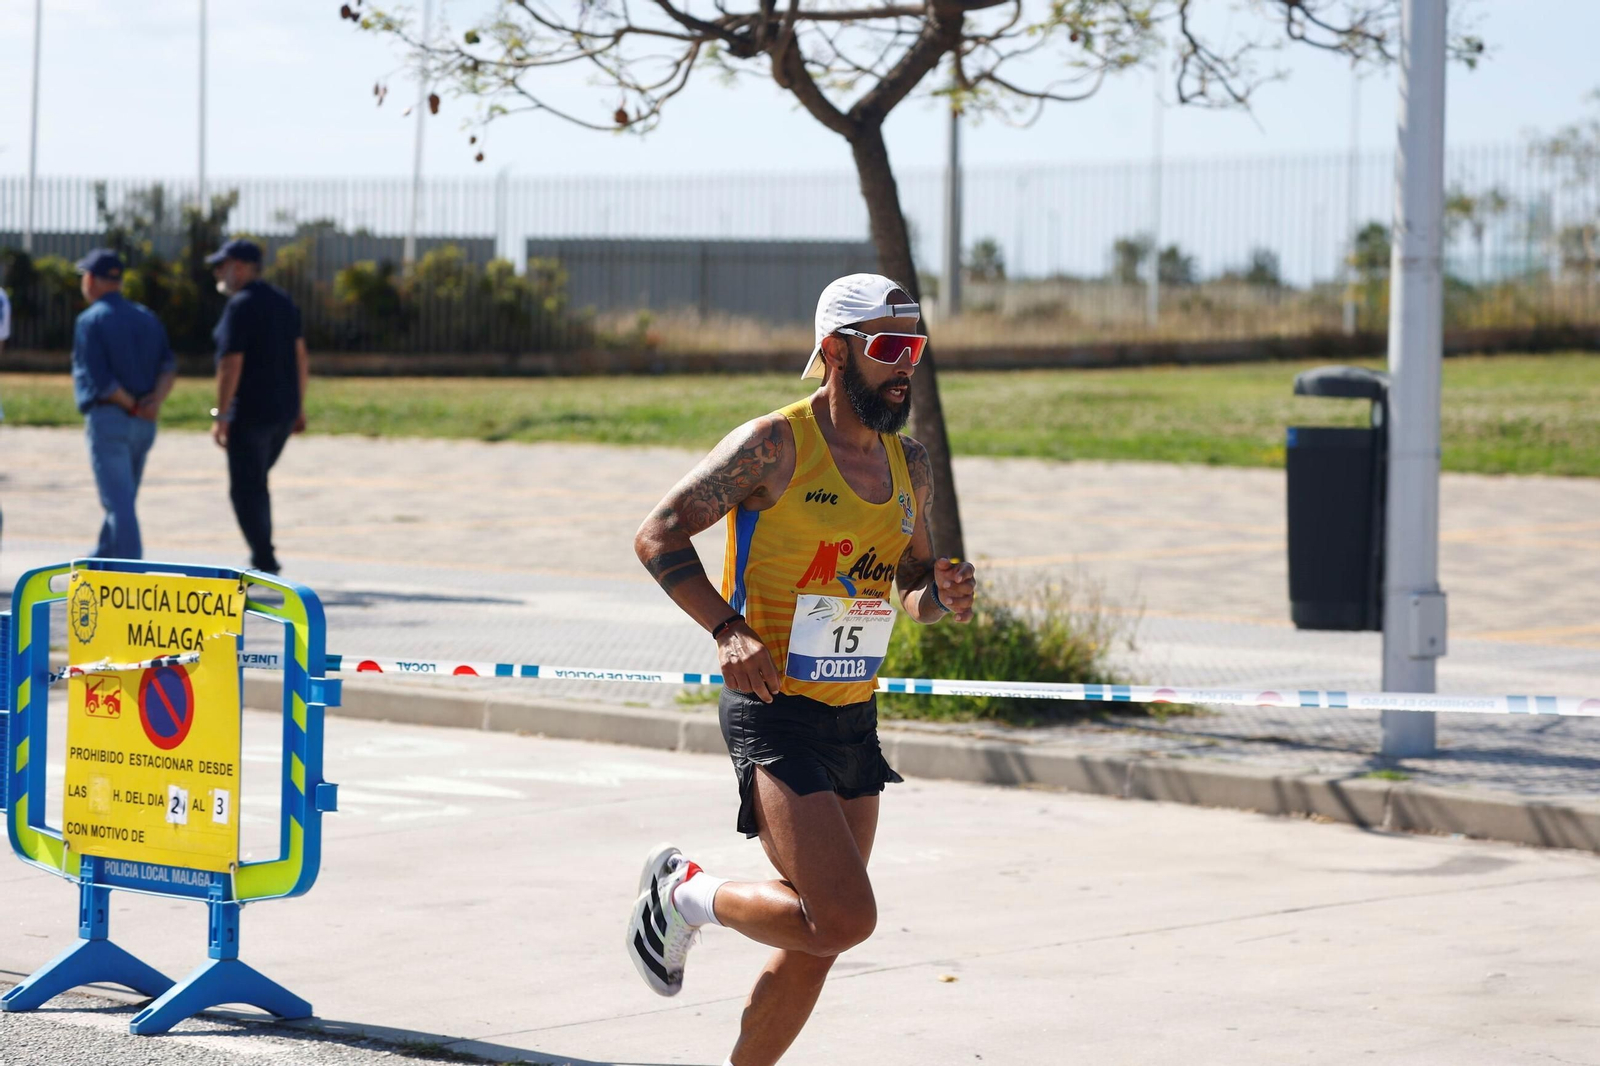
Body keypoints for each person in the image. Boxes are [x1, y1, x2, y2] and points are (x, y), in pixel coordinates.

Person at [629, 273, 978, 1066]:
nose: (906, 365)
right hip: (774, 705)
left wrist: (942, 595)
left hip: (853, 714)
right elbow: (658, 534)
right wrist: (726, 628)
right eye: (888, 346)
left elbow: (910, 584)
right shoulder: (775, 445)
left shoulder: (910, 463)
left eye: (915, 347)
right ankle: (684, 893)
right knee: (844, 917)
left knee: (819, 935)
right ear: (835, 350)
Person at [207, 238, 309, 575]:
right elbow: (300, 356)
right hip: (283, 413)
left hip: (251, 414)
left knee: (246, 489)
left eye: (221, 266)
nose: (217, 273)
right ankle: (263, 555)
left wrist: (220, 414)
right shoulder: (282, 300)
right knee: (256, 482)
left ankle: (264, 560)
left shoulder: (240, 306)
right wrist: (299, 405)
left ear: (239, 267)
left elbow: (230, 363)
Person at [70, 249, 176, 560]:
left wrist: (130, 405)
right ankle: (101, 560)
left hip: (111, 419)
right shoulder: (147, 317)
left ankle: (131, 571)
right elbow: (168, 367)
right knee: (123, 500)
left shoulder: (90, 320)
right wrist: (153, 401)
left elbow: (100, 380)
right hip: (144, 423)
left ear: (91, 279)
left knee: (119, 503)